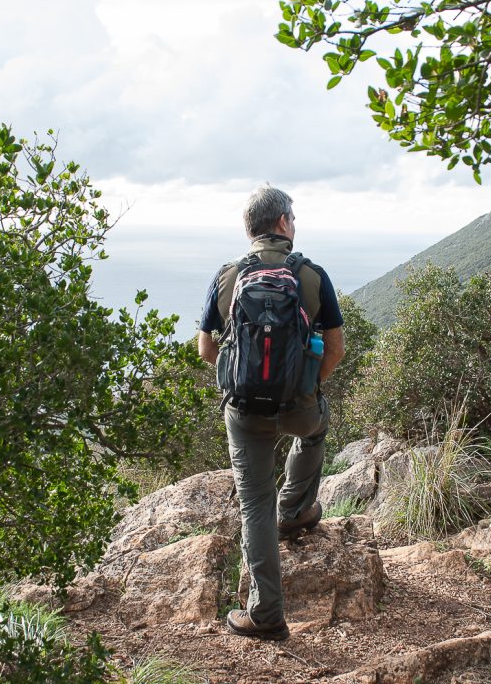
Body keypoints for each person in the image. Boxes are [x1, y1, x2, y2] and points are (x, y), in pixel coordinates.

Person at [197, 185, 345, 641]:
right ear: (282, 223)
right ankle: (297, 508)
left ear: (250, 229)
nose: (295, 225)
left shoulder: (227, 277)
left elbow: (206, 350)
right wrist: (306, 385)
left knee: (253, 502)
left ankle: (266, 615)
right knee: (315, 431)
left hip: (245, 413)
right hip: (299, 407)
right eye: (293, 218)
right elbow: (335, 351)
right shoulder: (313, 276)